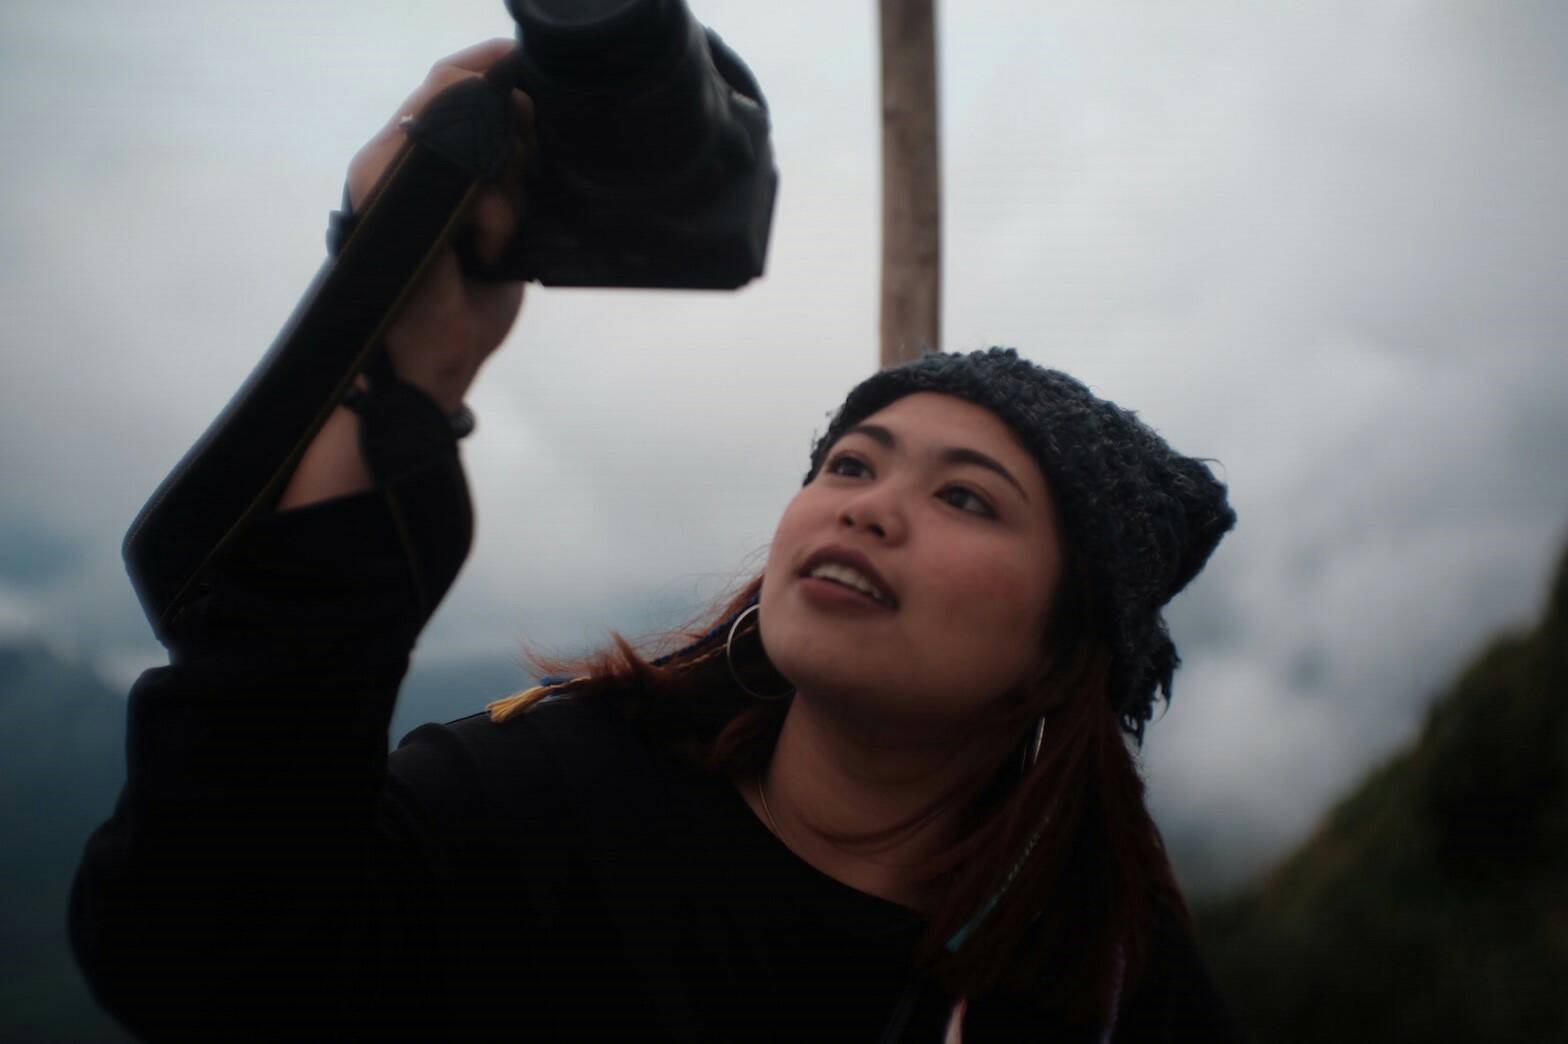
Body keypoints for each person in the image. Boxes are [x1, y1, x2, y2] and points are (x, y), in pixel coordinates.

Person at [71, 40, 1243, 1041]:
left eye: (967, 500)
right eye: (848, 463)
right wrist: (399, 362)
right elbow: (196, 961)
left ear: (1060, 656)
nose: (866, 506)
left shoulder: (1104, 988)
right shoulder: (540, 803)